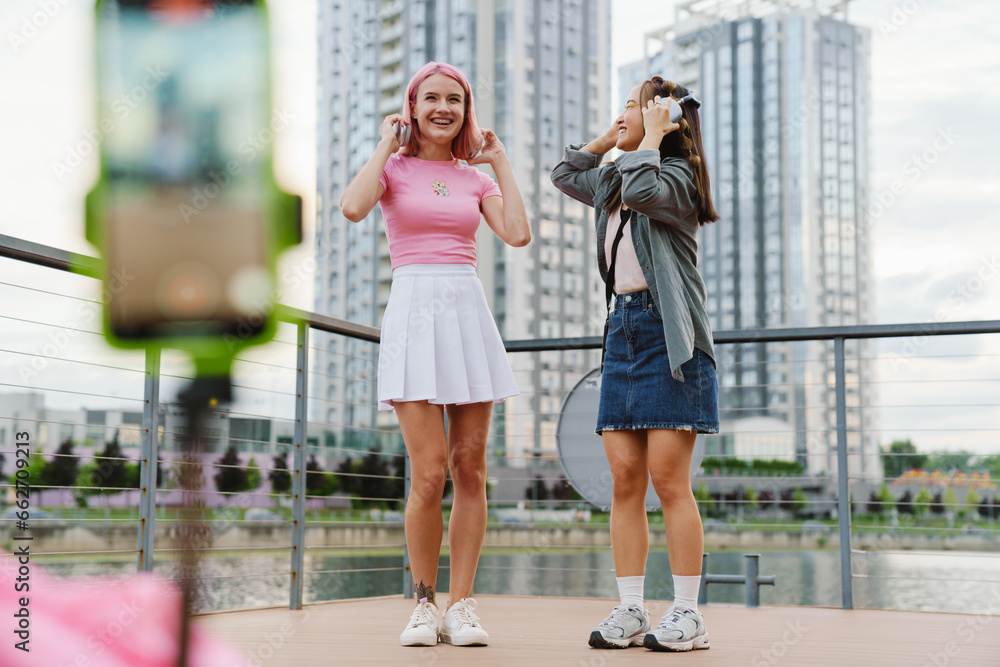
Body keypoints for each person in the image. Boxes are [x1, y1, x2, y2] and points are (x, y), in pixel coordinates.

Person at [339, 61, 530, 648]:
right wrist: (383, 144)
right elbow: (352, 207)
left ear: (465, 109)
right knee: (428, 472)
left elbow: (517, 234)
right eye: (431, 99)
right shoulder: (393, 167)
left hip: (466, 315)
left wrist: (499, 162)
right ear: (413, 107)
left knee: (469, 467)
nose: (443, 108)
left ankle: (462, 605)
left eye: (455, 99)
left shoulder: (475, 178)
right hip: (413, 312)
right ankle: (423, 604)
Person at [551, 76, 719, 652]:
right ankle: (630, 609)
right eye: (624, 104)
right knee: (624, 479)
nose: (624, 113)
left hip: (669, 337)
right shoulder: (618, 176)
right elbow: (566, 174)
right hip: (621, 333)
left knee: (669, 482)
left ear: (665, 121)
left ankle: (688, 614)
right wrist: (613, 136)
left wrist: (649, 135)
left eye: (635, 105)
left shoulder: (675, 179)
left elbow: (647, 189)